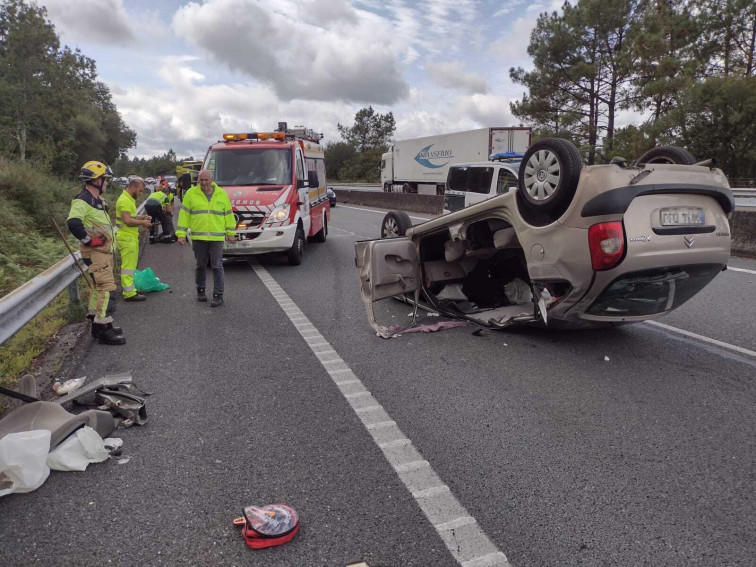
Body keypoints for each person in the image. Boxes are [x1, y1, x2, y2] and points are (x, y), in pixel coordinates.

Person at [67, 161, 125, 345]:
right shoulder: (82, 199)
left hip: (103, 253)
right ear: (95, 180)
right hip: (96, 253)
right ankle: (103, 330)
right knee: (107, 289)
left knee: (97, 290)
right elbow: (73, 223)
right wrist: (89, 240)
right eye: (104, 179)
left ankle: (98, 325)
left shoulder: (97, 200)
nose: (106, 183)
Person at [176, 169, 235, 307]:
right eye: (201, 180)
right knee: (200, 265)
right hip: (199, 237)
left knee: (217, 266)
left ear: (212, 180)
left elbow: (228, 214)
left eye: (206, 180)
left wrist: (230, 232)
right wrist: (181, 234)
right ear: (198, 180)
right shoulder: (191, 193)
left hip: (217, 237)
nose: (203, 183)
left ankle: (218, 295)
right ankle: (200, 290)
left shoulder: (221, 194)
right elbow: (184, 214)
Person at [115, 177, 152, 302]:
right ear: (133, 187)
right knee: (128, 267)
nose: (140, 193)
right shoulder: (125, 200)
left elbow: (131, 216)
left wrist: (142, 217)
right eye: (140, 191)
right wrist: (143, 223)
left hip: (129, 236)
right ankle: (129, 293)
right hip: (126, 237)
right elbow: (128, 220)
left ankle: (131, 289)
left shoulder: (128, 199)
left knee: (130, 266)